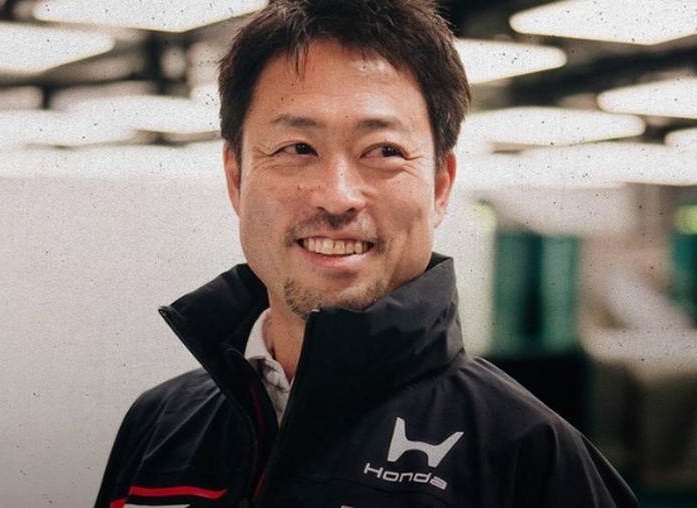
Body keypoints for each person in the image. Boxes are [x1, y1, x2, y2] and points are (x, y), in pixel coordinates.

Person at [95, 0, 639, 506]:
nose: (337, 196)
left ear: (441, 186)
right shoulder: (159, 425)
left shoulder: (531, 457)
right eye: (297, 148)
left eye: (384, 151)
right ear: (236, 178)